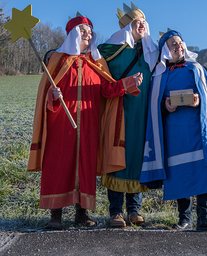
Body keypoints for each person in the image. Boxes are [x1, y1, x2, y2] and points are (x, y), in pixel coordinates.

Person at [27, 15, 143, 230]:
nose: (88, 34)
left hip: (89, 124)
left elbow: (107, 90)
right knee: (59, 164)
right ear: (72, 34)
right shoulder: (58, 60)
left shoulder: (96, 61)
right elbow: (44, 95)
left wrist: (128, 84)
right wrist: (52, 96)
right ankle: (56, 215)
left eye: (90, 31)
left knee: (85, 166)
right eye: (83, 31)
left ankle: (82, 213)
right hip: (60, 123)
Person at [140, 30, 207, 230]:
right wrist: (165, 106)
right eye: (173, 44)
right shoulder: (159, 74)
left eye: (180, 42)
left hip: (199, 131)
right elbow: (154, 106)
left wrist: (200, 99)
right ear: (165, 50)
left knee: (204, 171)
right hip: (174, 133)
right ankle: (184, 219)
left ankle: (204, 218)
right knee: (179, 173)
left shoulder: (196, 68)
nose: (178, 46)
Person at [98, 2, 159, 227]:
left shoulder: (151, 52)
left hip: (142, 113)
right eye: (136, 22)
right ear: (127, 27)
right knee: (117, 157)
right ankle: (115, 211)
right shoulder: (109, 50)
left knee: (137, 157)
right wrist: (50, 54)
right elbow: (83, 55)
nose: (141, 25)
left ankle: (134, 210)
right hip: (119, 111)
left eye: (144, 21)